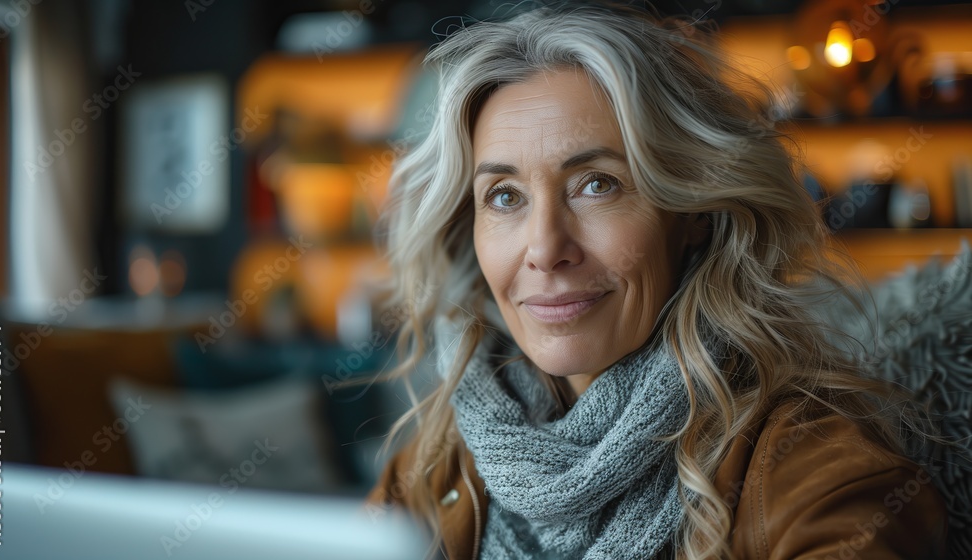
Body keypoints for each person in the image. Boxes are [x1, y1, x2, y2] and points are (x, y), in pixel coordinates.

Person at [365, 3, 951, 559]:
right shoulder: (435, 468)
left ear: (694, 211)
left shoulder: (812, 470)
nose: (545, 249)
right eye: (505, 195)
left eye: (597, 184)